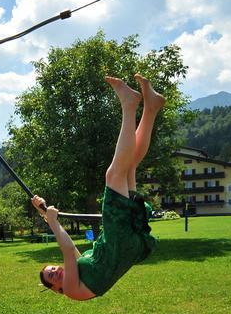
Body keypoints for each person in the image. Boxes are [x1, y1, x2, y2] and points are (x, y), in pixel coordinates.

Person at [33, 74, 164, 300]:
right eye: (52, 276)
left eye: (52, 269)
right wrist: (53, 222)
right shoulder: (72, 290)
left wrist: (46, 215)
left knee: (129, 166)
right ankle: (129, 105)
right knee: (113, 174)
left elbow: (71, 248)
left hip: (126, 244)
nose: (56, 271)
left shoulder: (78, 273)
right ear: (55, 288)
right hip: (119, 242)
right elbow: (67, 250)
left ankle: (151, 108)